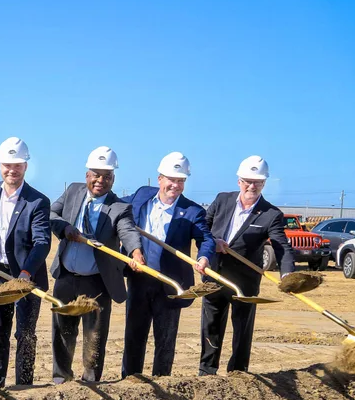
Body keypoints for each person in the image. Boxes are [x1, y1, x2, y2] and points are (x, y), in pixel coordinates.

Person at [48, 146, 142, 383]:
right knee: (62, 331)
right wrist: (65, 228)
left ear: (113, 178)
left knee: (95, 334)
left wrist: (136, 251)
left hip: (97, 281)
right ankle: (61, 378)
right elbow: (51, 215)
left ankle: (91, 380)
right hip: (66, 277)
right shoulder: (72, 192)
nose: (101, 180)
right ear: (87, 175)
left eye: (107, 176)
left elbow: (127, 231)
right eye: (96, 175)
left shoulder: (120, 207)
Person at [121, 152, 215, 377]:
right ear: (159, 178)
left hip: (172, 285)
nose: (176, 185)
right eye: (171, 179)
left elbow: (206, 239)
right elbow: (115, 208)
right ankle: (130, 381)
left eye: (181, 180)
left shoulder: (193, 211)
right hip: (139, 279)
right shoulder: (141, 195)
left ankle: (162, 384)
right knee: (134, 336)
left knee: (165, 341)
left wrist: (204, 257)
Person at [0, 137, 52, 388]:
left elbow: (42, 243)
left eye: (17, 165)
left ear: (26, 166)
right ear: (0, 165)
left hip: (26, 275)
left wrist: (26, 272)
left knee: (25, 334)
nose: (11, 170)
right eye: (7, 165)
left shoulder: (38, 201)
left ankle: (24, 385)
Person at [200, 156, 292, 374]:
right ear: (239, 180)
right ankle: (206, 373)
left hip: (245, 283)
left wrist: (287, 274)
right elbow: (203, 226)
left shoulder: (272, 214)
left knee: (242, 330)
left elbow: (282, 247)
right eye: (247, 181)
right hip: (215, 277)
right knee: (210, 326)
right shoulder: (222, 200)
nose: (252, 186)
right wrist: (213, 242)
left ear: (264, 183)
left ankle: (238, 374)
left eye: (257, 182)